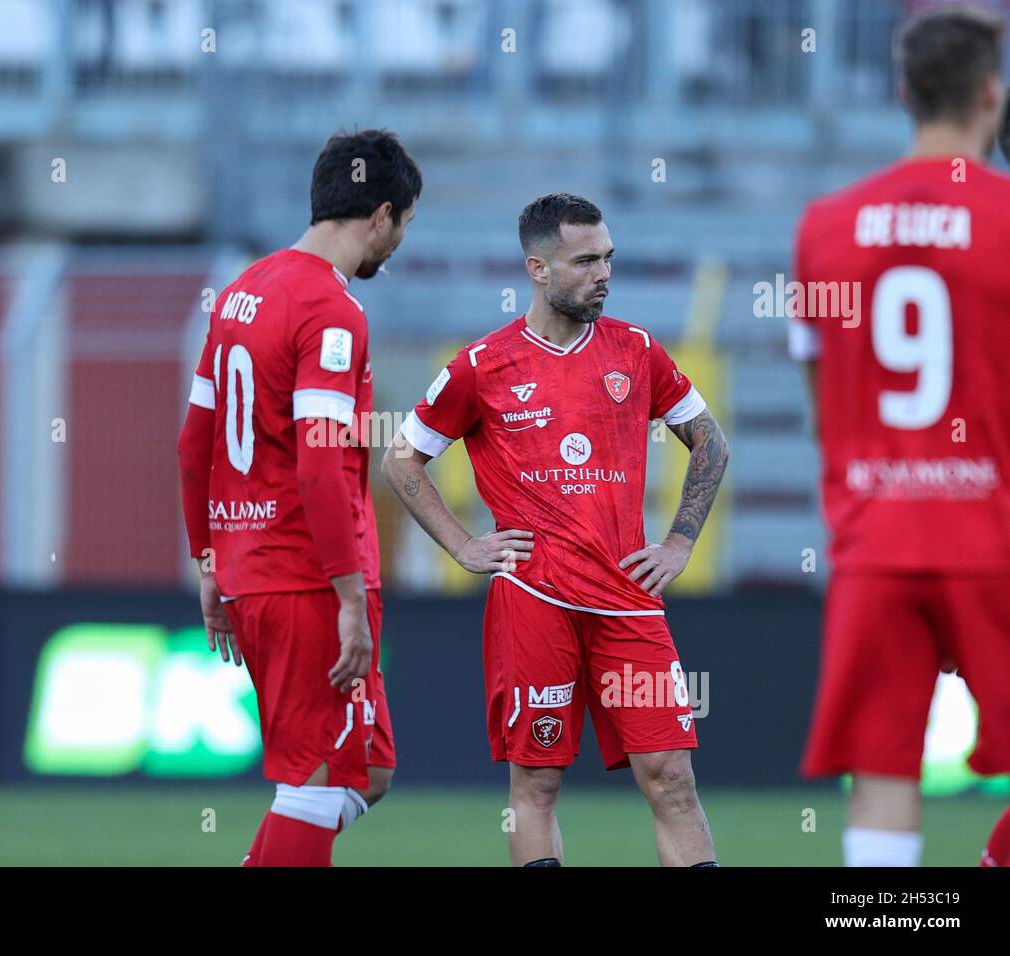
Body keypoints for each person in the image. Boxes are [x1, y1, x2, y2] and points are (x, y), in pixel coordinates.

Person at [383, 193, 728, 866]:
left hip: (630, 604)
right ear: (537, 269)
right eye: (585, 261)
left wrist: (680, 542)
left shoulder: (638, 351)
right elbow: (403, 460)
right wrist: (461, 544)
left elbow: (710, 444)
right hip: (535, 603)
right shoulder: (483, 367)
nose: (603, 273)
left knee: (673, 781)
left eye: (608, 258)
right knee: (535, 783)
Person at [790, 5, 1010, 866]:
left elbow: (822, 400)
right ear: (991, 93)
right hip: (990, 532)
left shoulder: (827, 225)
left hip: (875, 536)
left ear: (902, 93)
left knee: (883, 778)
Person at [176, 129, 421, 866]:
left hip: (253, 566)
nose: (399, 243)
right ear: (380, 215)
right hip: (307, 576)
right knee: (315, 784)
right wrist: (349, 596)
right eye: (404, 225)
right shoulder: (333, 313)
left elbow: (194, 442)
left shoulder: (244, 292)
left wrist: (209, 561)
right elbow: (319, 464)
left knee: (367, 770)